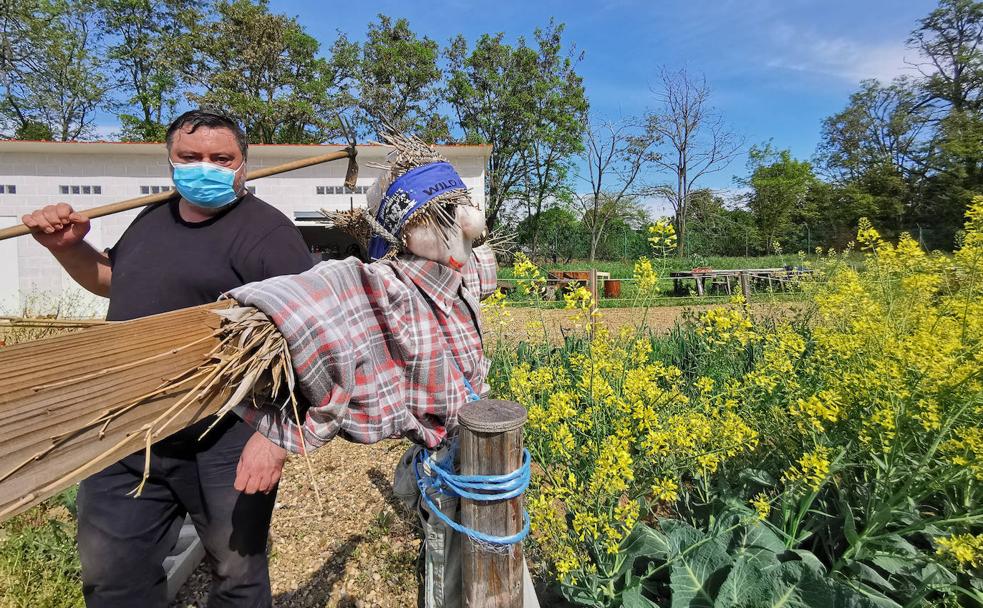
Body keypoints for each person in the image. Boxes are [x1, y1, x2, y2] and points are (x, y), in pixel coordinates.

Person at [21, 109, 315, 608]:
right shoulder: (152, 218)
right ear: (170, 160)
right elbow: (112, 280)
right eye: (190, 157)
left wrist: (276, 438)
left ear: (244, 163)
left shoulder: (269, 234)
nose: (205, 167)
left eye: (221, 158)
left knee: (237, 575)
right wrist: (68, 249)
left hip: (223, 434)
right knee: (112, 578)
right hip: (124, 429)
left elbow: (309, 340)